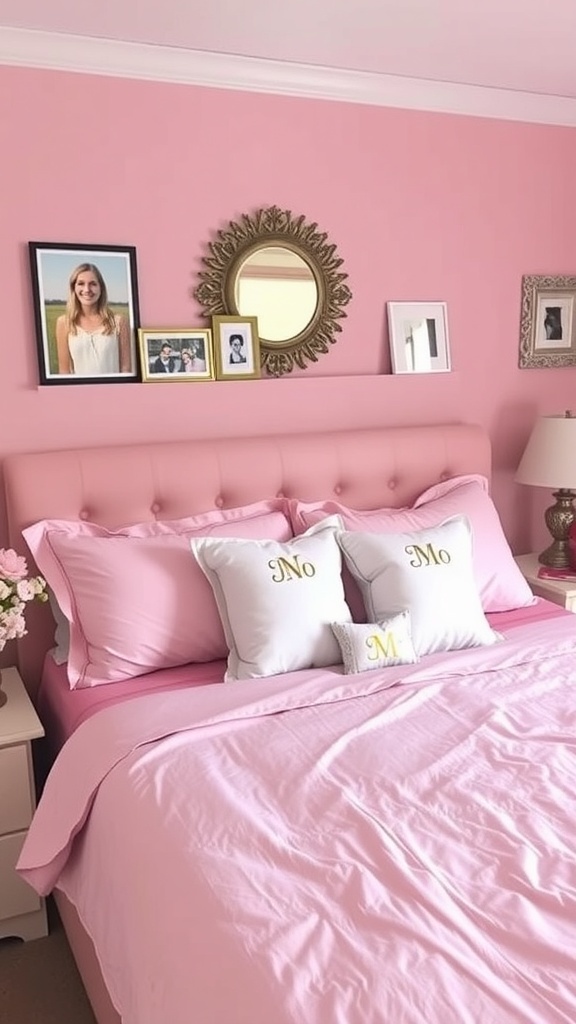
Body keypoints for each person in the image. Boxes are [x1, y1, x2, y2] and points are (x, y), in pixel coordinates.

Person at [56, 263, 132, 376]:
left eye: (93, 284)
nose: (87, 289)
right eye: (81, 284)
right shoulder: (64, 323)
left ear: (101, 288)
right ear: (74, 288)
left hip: (114, 392)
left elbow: (126, 369)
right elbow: (64, 371)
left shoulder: (119, 322)